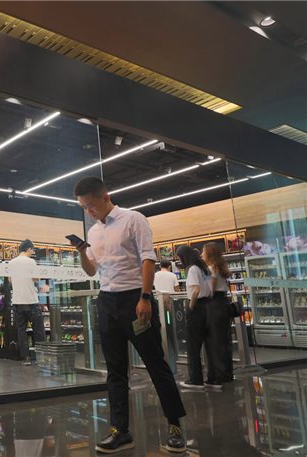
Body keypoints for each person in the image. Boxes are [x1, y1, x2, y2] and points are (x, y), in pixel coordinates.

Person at [72, 177, 186, 454]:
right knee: (114, 370)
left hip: (135, 298)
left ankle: (175, 426)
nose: (89, 211)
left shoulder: (134, 219)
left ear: (105, 197)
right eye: (84, 208)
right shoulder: (94, 232)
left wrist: (145, 297)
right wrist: (82, 253)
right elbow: (92, 271)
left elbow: (148, 259)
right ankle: (120, 431)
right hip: (106, 301)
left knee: (155, 364)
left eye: (91, 205)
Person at [176, 245, 217, 390]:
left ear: (184, 257)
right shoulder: (204, 268)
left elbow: (196, 290)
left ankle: (196, 379)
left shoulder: (193, 269)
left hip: (197, 307)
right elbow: (210, 290)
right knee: (209, 344)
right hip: (207, 306)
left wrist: (191, 306)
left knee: (193, 345)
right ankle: (213, 379)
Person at [8, 239, 45, 366]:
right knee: (38, 329)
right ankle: (41, 357)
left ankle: (26, 358)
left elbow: (10, 280)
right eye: (32, 250)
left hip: (17, 301)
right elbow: (37, 278)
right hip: (31, 301)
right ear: (29, 249)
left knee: (21, 330)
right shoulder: (30, 262)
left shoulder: (11, 262)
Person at [202, 242, 234, 384]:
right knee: (223, 340)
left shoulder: (211, 268)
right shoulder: (220, 267)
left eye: (204, 251)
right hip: (223, 305)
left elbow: (211, 290)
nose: (202, 254)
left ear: (209, 253)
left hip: (214, 306)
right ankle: (226, 373)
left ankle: (218, 375)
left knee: (215, 341)